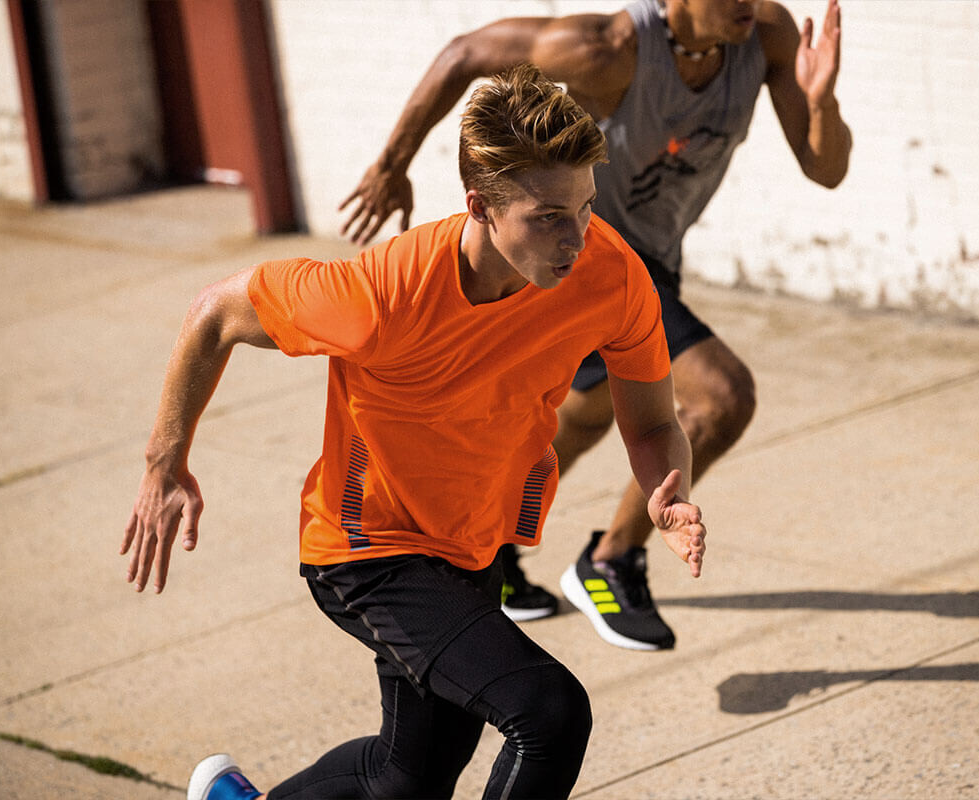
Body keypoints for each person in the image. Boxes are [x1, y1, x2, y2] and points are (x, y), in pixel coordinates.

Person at [121, 64, 706, 800]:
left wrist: (665, 489)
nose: (576, 237)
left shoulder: (611, 276)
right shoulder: (380, 295)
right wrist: (164, 462)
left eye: (586, 207)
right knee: (548, 713)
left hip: (470, 541)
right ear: (480, 207)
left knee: (408, 781)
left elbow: (652, 422)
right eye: (548, 216)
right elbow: (216, 313)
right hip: (368, 549)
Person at [339, 0, 852, 650]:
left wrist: (821, 102)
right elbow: (464, 53)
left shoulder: (765, 37)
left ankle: (477, 548)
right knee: (721, 397)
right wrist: (392, 164)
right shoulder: (608, 49)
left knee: (581, 417)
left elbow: (826, 170)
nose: (746, 2)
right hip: (585, 259)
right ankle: (610, 561)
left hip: (651, 260)